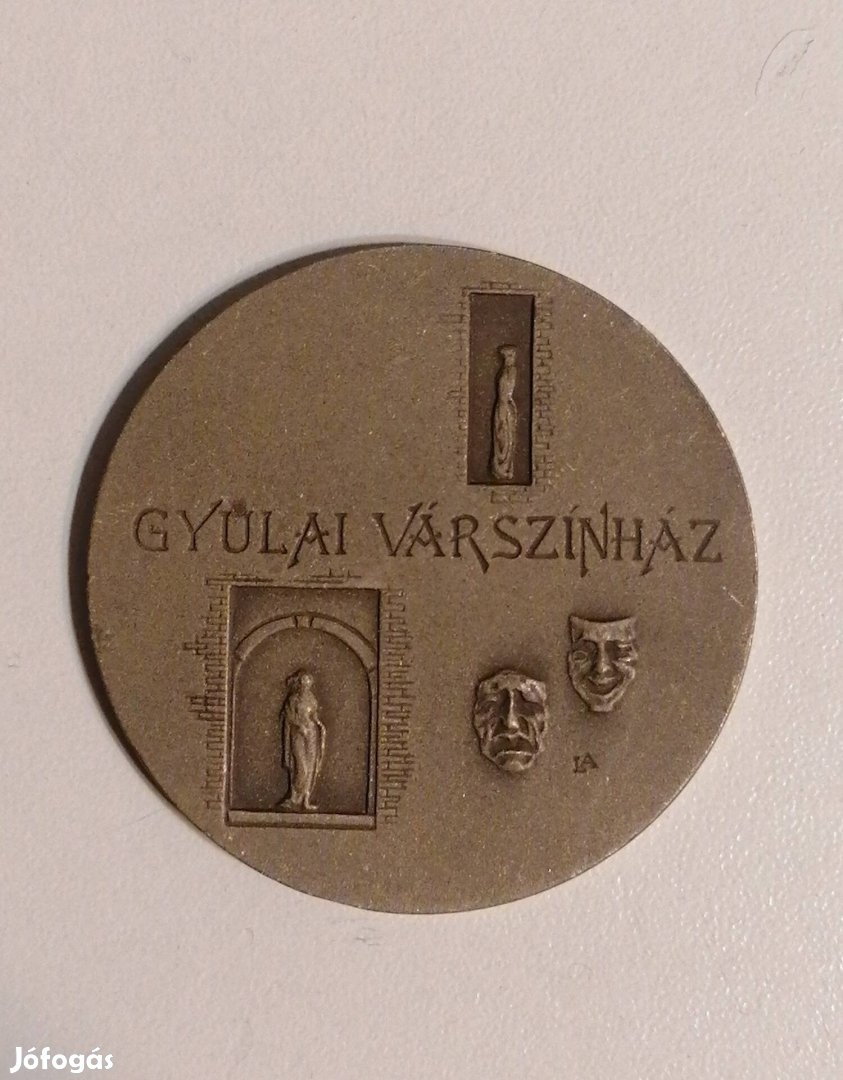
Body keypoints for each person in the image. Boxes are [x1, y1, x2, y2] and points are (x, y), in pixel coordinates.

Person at [278, 670, 326, 811]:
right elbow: (289, 717)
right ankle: (294, 797)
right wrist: (300, 726)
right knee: (301, 767)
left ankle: (305, 799)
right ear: (299, 682)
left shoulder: (312, 699)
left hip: (311, 733)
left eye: (308, 681)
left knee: (311, 766)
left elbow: (314, 715)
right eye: (303, 680)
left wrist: (319, 724)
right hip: (297, 734)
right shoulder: (293, 699)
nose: (305, 683)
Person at [491, 345, 518, 481]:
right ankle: (501, 468)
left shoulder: (511, 371)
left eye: (510, 356)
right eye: (507, 356)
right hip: (503, 405)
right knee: (502, 436)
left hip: (505, 406)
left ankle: (504, 468)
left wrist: (503, 408)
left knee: (504, 435)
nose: (508, 359)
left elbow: (505, 393)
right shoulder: (507, 371)